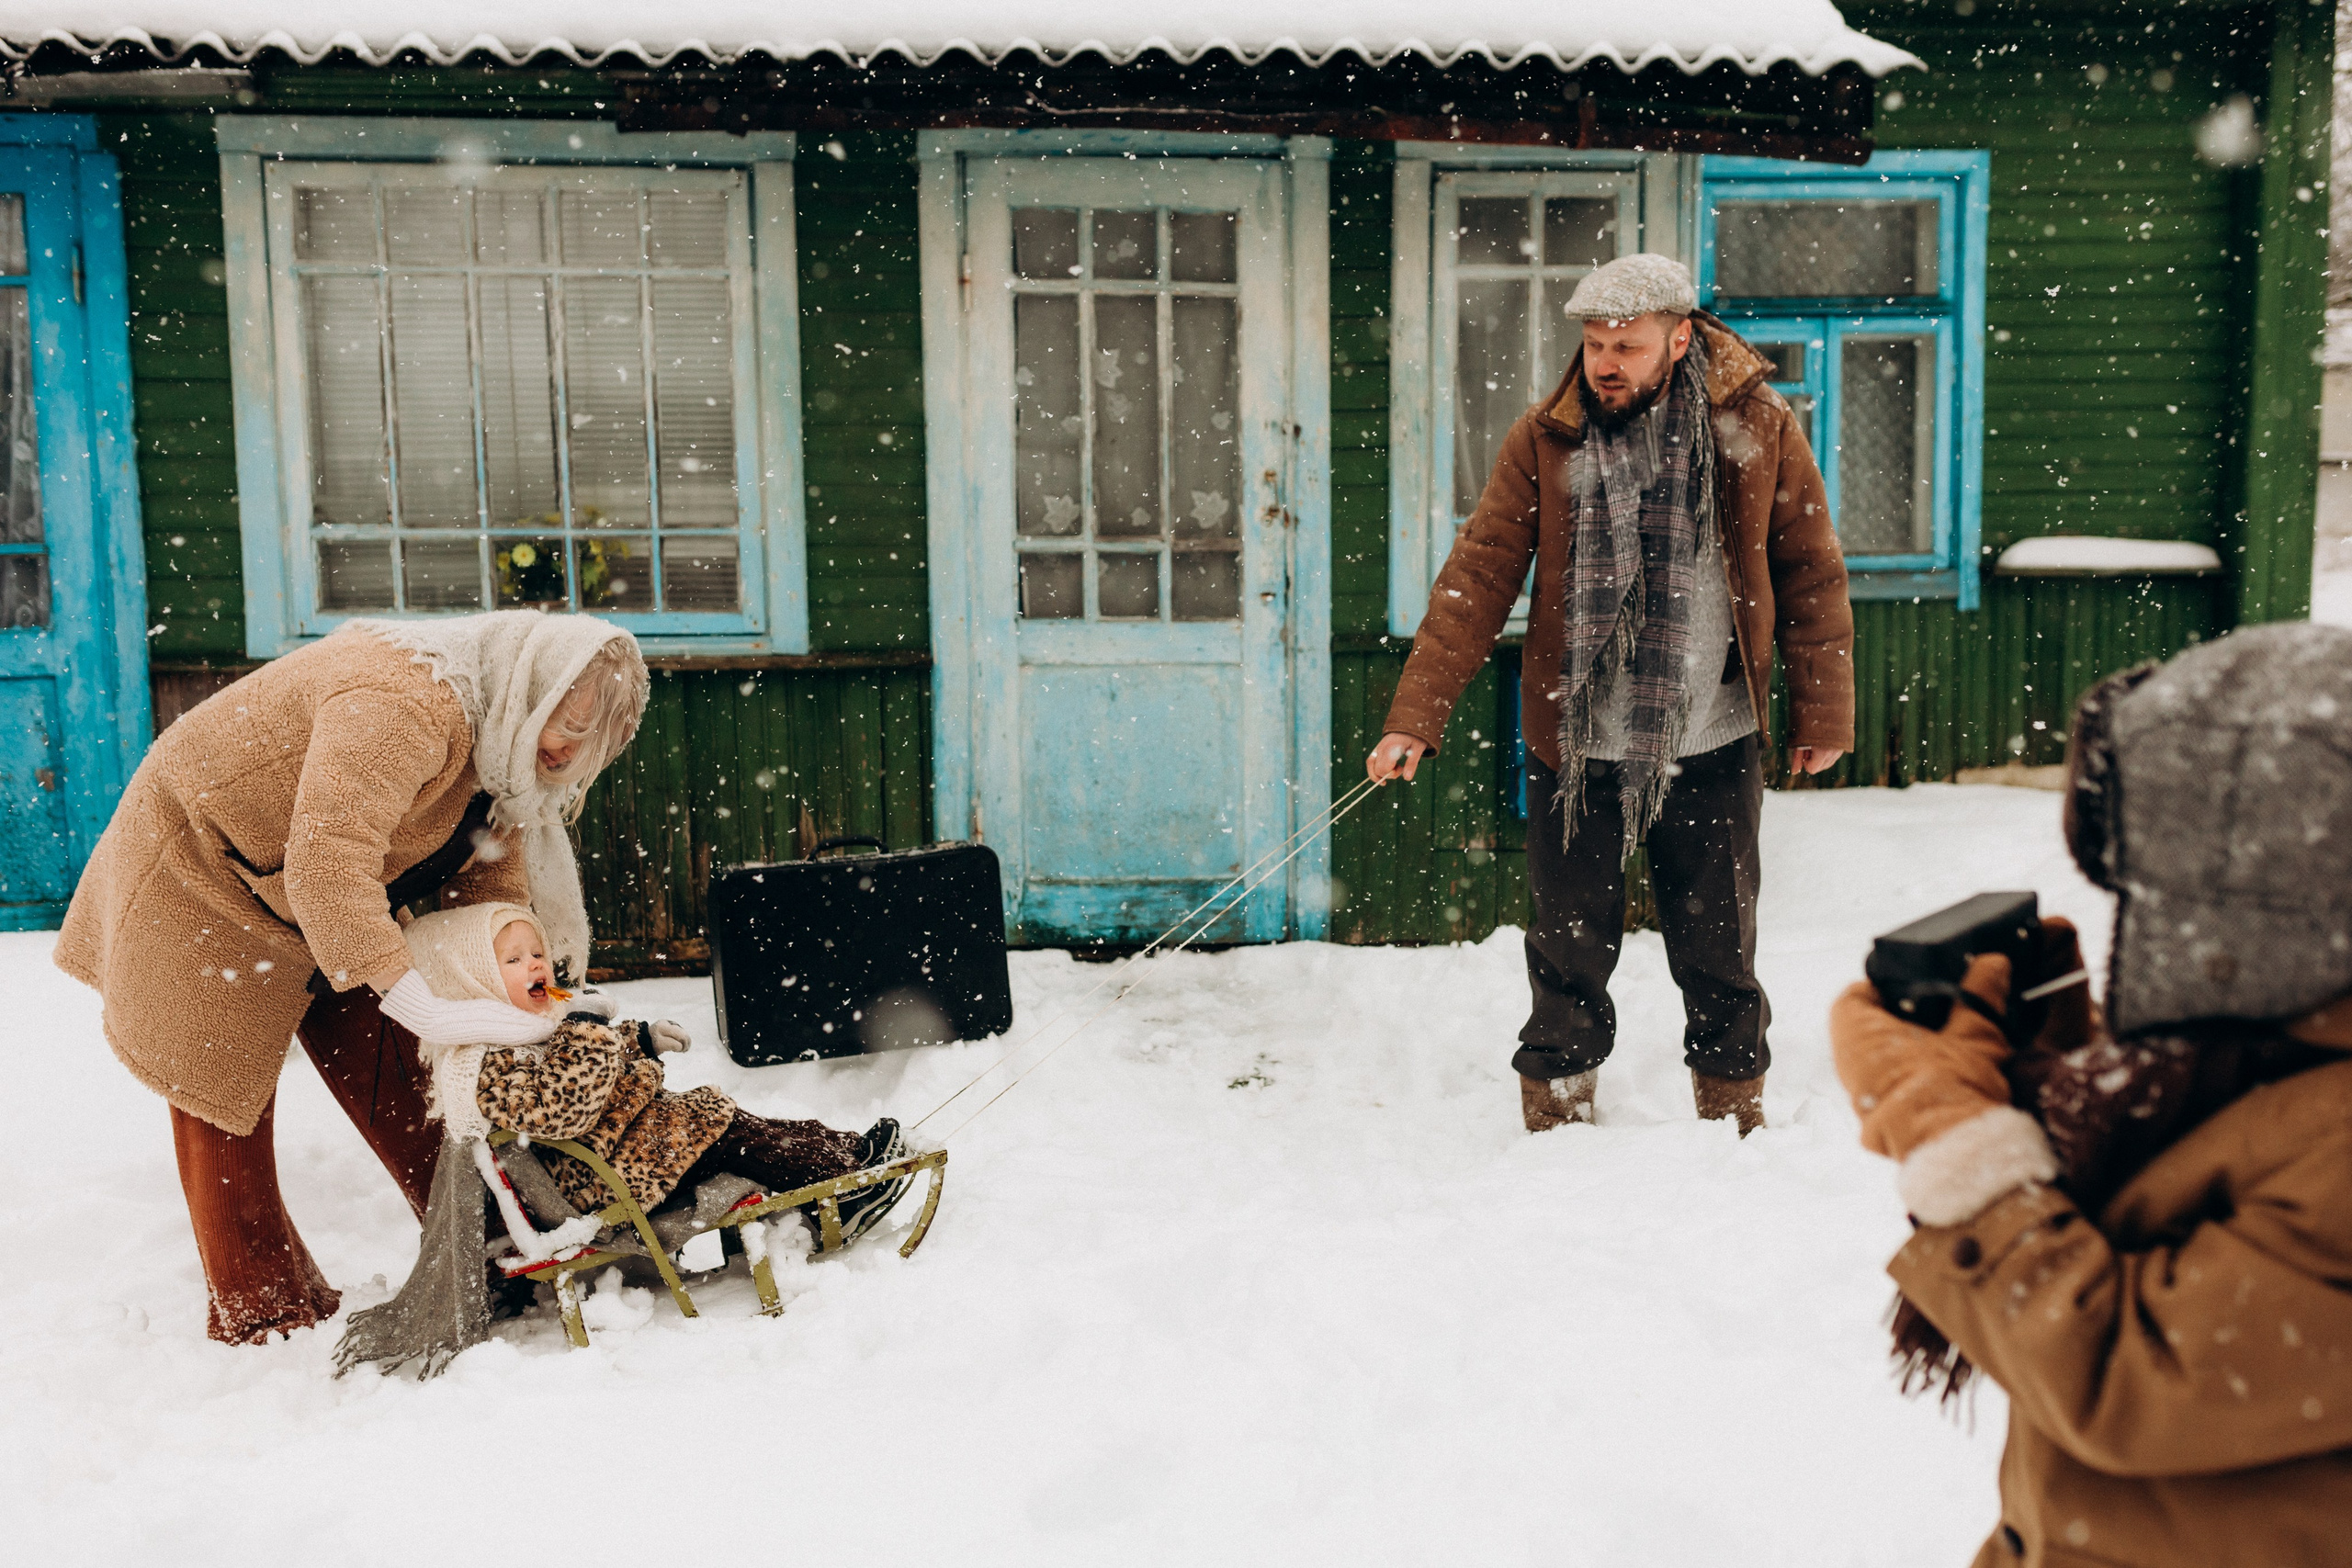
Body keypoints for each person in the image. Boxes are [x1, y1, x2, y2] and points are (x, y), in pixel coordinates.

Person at [1830, 623, 2352, 1566]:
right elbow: (2185, 1214)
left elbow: (2129, 1374)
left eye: (2159, 897)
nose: (2144, 935)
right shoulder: (2283, 1066)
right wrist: (2060, 1058)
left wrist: (1949, 1132)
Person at [55, 609, 650, 1344]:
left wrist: (522, 990)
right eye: (566, 733)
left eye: (586, 748)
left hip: (311, 893)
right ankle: (263, 1316)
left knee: (405, 1074)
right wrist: (425, 1006)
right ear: (535, 689)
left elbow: (488, 893)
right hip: (199, 868)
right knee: (224, 1096)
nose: (566, 757)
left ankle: (493, 1246)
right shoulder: (405, 707)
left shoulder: (503, 745)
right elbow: (327, 864)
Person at [1367, 253, 1853, 1135]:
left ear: (1678, 337)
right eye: (1594, 344)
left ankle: (1734, 1107)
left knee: (1718, 946)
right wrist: (1415, 717)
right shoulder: (1547, 437)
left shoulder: (1756, 425)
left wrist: (1822, 713)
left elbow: (1809, 571)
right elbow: (1476, 577)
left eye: (1625, 345)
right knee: (1566, 946)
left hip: (1710, 731)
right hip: (1581, 738)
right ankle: (1556, 1110)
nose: (1605, 363)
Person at [406, 900, 907, 1232]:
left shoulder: (531, 1029)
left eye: (536, 952)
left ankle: (850, 1156)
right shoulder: (482, 1063)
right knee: (727, 1132)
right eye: (513, 961)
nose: (537, 965)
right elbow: (565, 1107)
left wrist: (637, 1040)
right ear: (471, 981)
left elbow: (586, 1071)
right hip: (594, 1180)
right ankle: (844, 1187)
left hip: (623, 1151)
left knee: (733, 1123)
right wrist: (581, 1025)